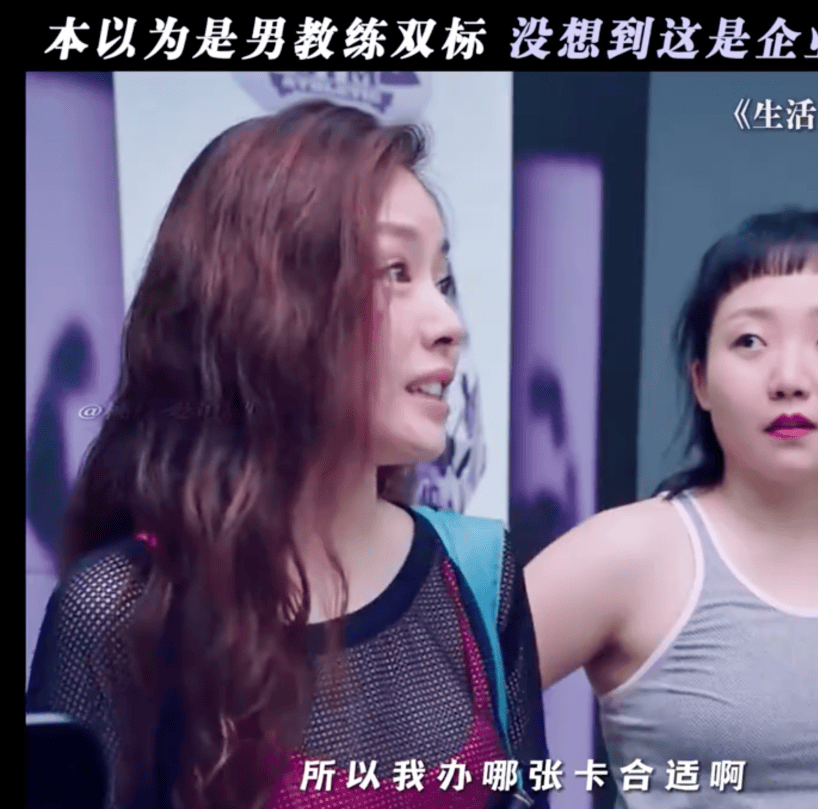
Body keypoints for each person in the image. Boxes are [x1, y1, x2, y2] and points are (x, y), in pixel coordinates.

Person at [26, 100, 548, 809]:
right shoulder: (121, 612)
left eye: (442, 280)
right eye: (395, 272)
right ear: (261, 302)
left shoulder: (478, 575)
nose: (449, 324)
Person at [525, 211, 818, 808]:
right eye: (749, 341)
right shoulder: (626, 554)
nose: (788, 378)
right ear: (701, 380)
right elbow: (437, 709)